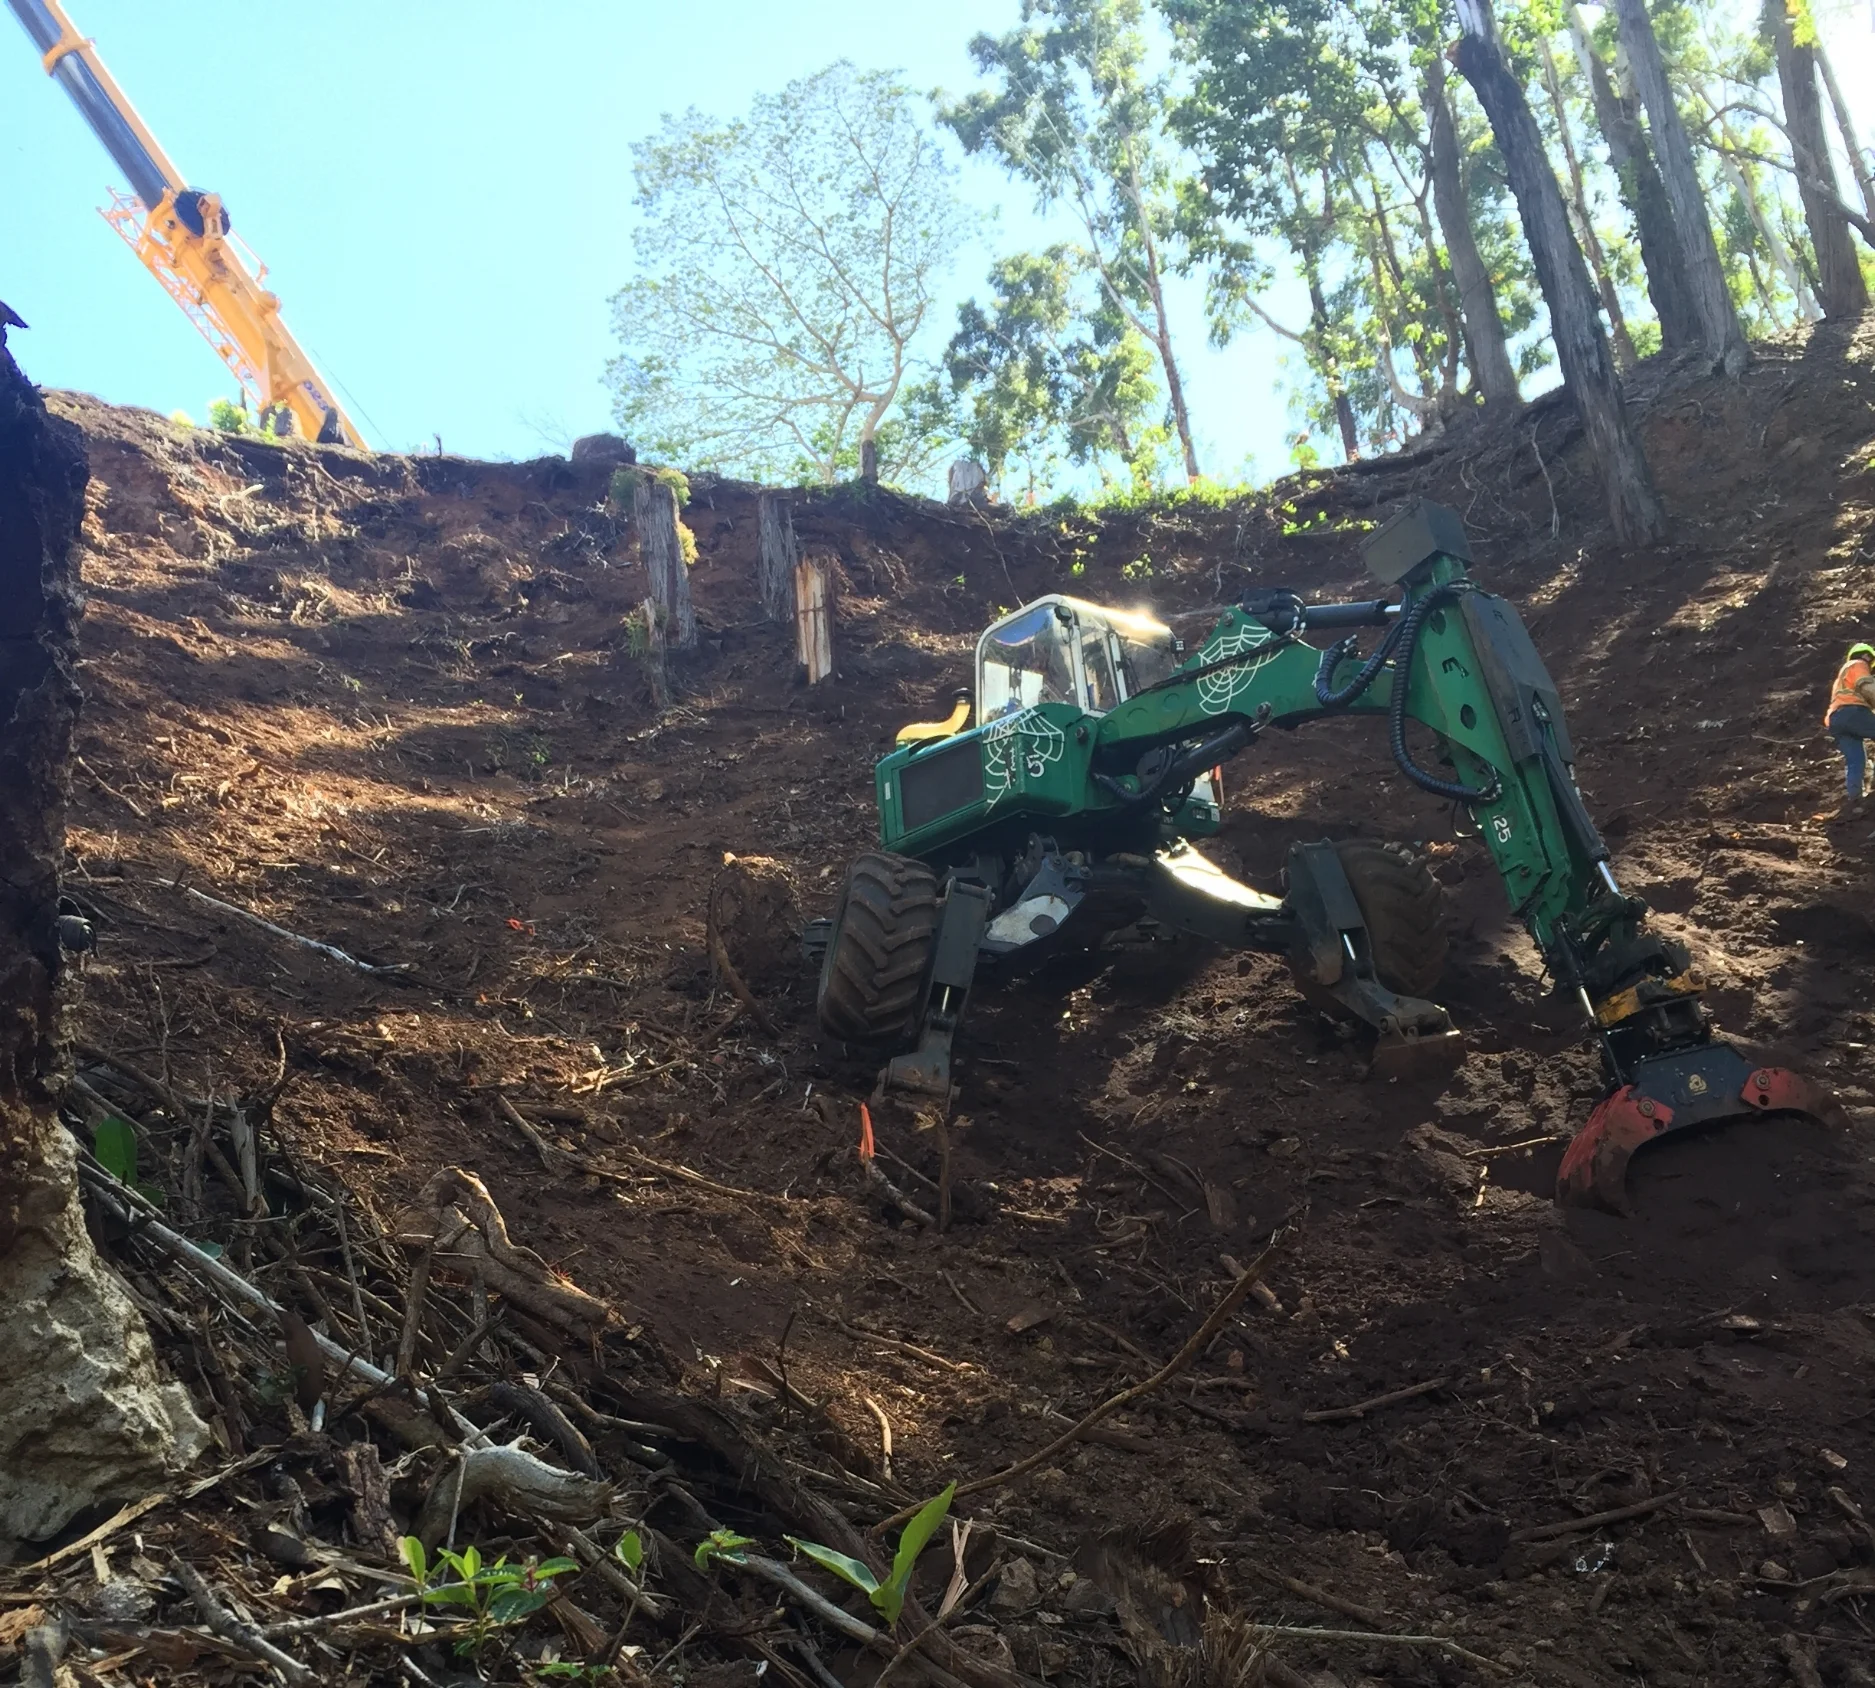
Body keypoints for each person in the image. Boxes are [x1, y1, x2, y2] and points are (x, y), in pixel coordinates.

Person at [1825, 640, 1875, 815]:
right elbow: (1867, 687)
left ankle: (1855, 799)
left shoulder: (1842, 677)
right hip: (1853, 712)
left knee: (1856, 760)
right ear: (1867, 657)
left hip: (1836, 719)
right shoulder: (1859, 664)